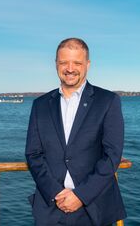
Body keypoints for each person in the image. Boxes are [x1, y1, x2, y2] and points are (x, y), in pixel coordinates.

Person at [25, 38, 126, 226]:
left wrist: (80, 195)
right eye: (64, 62)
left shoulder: (108, 101)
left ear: (87, 64)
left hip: (93, 207)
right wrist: (56, 192)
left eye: (77, 63)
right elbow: (33, 154)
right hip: (50, 206)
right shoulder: (40, 105)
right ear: (56, 64)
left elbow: (112, 155)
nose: (70, 69)